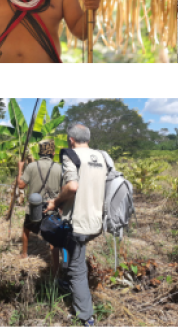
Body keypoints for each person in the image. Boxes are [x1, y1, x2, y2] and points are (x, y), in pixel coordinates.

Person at [46, 124, 113, 326]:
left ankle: (85, 316)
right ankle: (69, 281)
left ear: (71, 140)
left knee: (77, 269)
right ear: (88, 139)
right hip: (97, 222)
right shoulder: (102, 156)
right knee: (73, 253)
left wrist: (55, 202)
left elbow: (72, 186)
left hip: (78, 223)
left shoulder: (70, 155)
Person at [18, 139, 62, 273]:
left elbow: (21, 185)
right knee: (54, 238)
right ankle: (56, 268)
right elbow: (64, 189)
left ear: (39, 153)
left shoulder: (31, 167)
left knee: (26, 229)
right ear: (53, 153)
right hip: (52, 207)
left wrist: (20, 169)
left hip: (35, 206)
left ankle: (24, 254)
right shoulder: (59, 168)